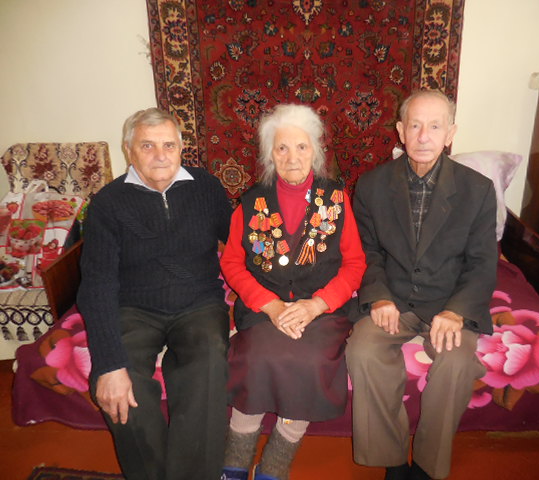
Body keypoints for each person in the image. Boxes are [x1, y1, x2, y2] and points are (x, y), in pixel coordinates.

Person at [346, 90, 498, 480]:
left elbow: (483, 263)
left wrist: (457, 311)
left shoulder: (478, 189)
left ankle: (428, 466)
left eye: (434, 126)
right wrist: (378, 297)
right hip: (394, 299)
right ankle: (393, 460)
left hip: (449, 301)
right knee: (363, 349)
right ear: (401, 131)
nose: (424, 136)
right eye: (414, 125)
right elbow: (366, 252)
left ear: (450, 134)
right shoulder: (372, 185)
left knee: (457, 361)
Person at [77, 108, 232, 480]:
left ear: (181, 148)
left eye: (169, 145)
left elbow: (241, 242)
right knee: (119, 382)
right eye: (147, 146)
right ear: (129, 150)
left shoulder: (206, 187)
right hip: (134, 307)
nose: (160, 155)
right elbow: (96, 283)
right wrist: (109, 364)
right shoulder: (108, 204)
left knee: (208, 361)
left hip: (198, 303)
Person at [220, 104, 366, 480]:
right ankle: (235, 462)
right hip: (264, 308)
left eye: (301, 147)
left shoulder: (336, 199)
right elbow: (232, 263)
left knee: (309, 361)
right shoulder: (251, 202)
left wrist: (316, 305)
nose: (292, 157)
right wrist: (269, 306)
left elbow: (354, 264)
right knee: (255, 357)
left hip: (321, 311)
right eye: (282, 148)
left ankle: (275, 464)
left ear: (315, 151)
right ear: (270, 154)